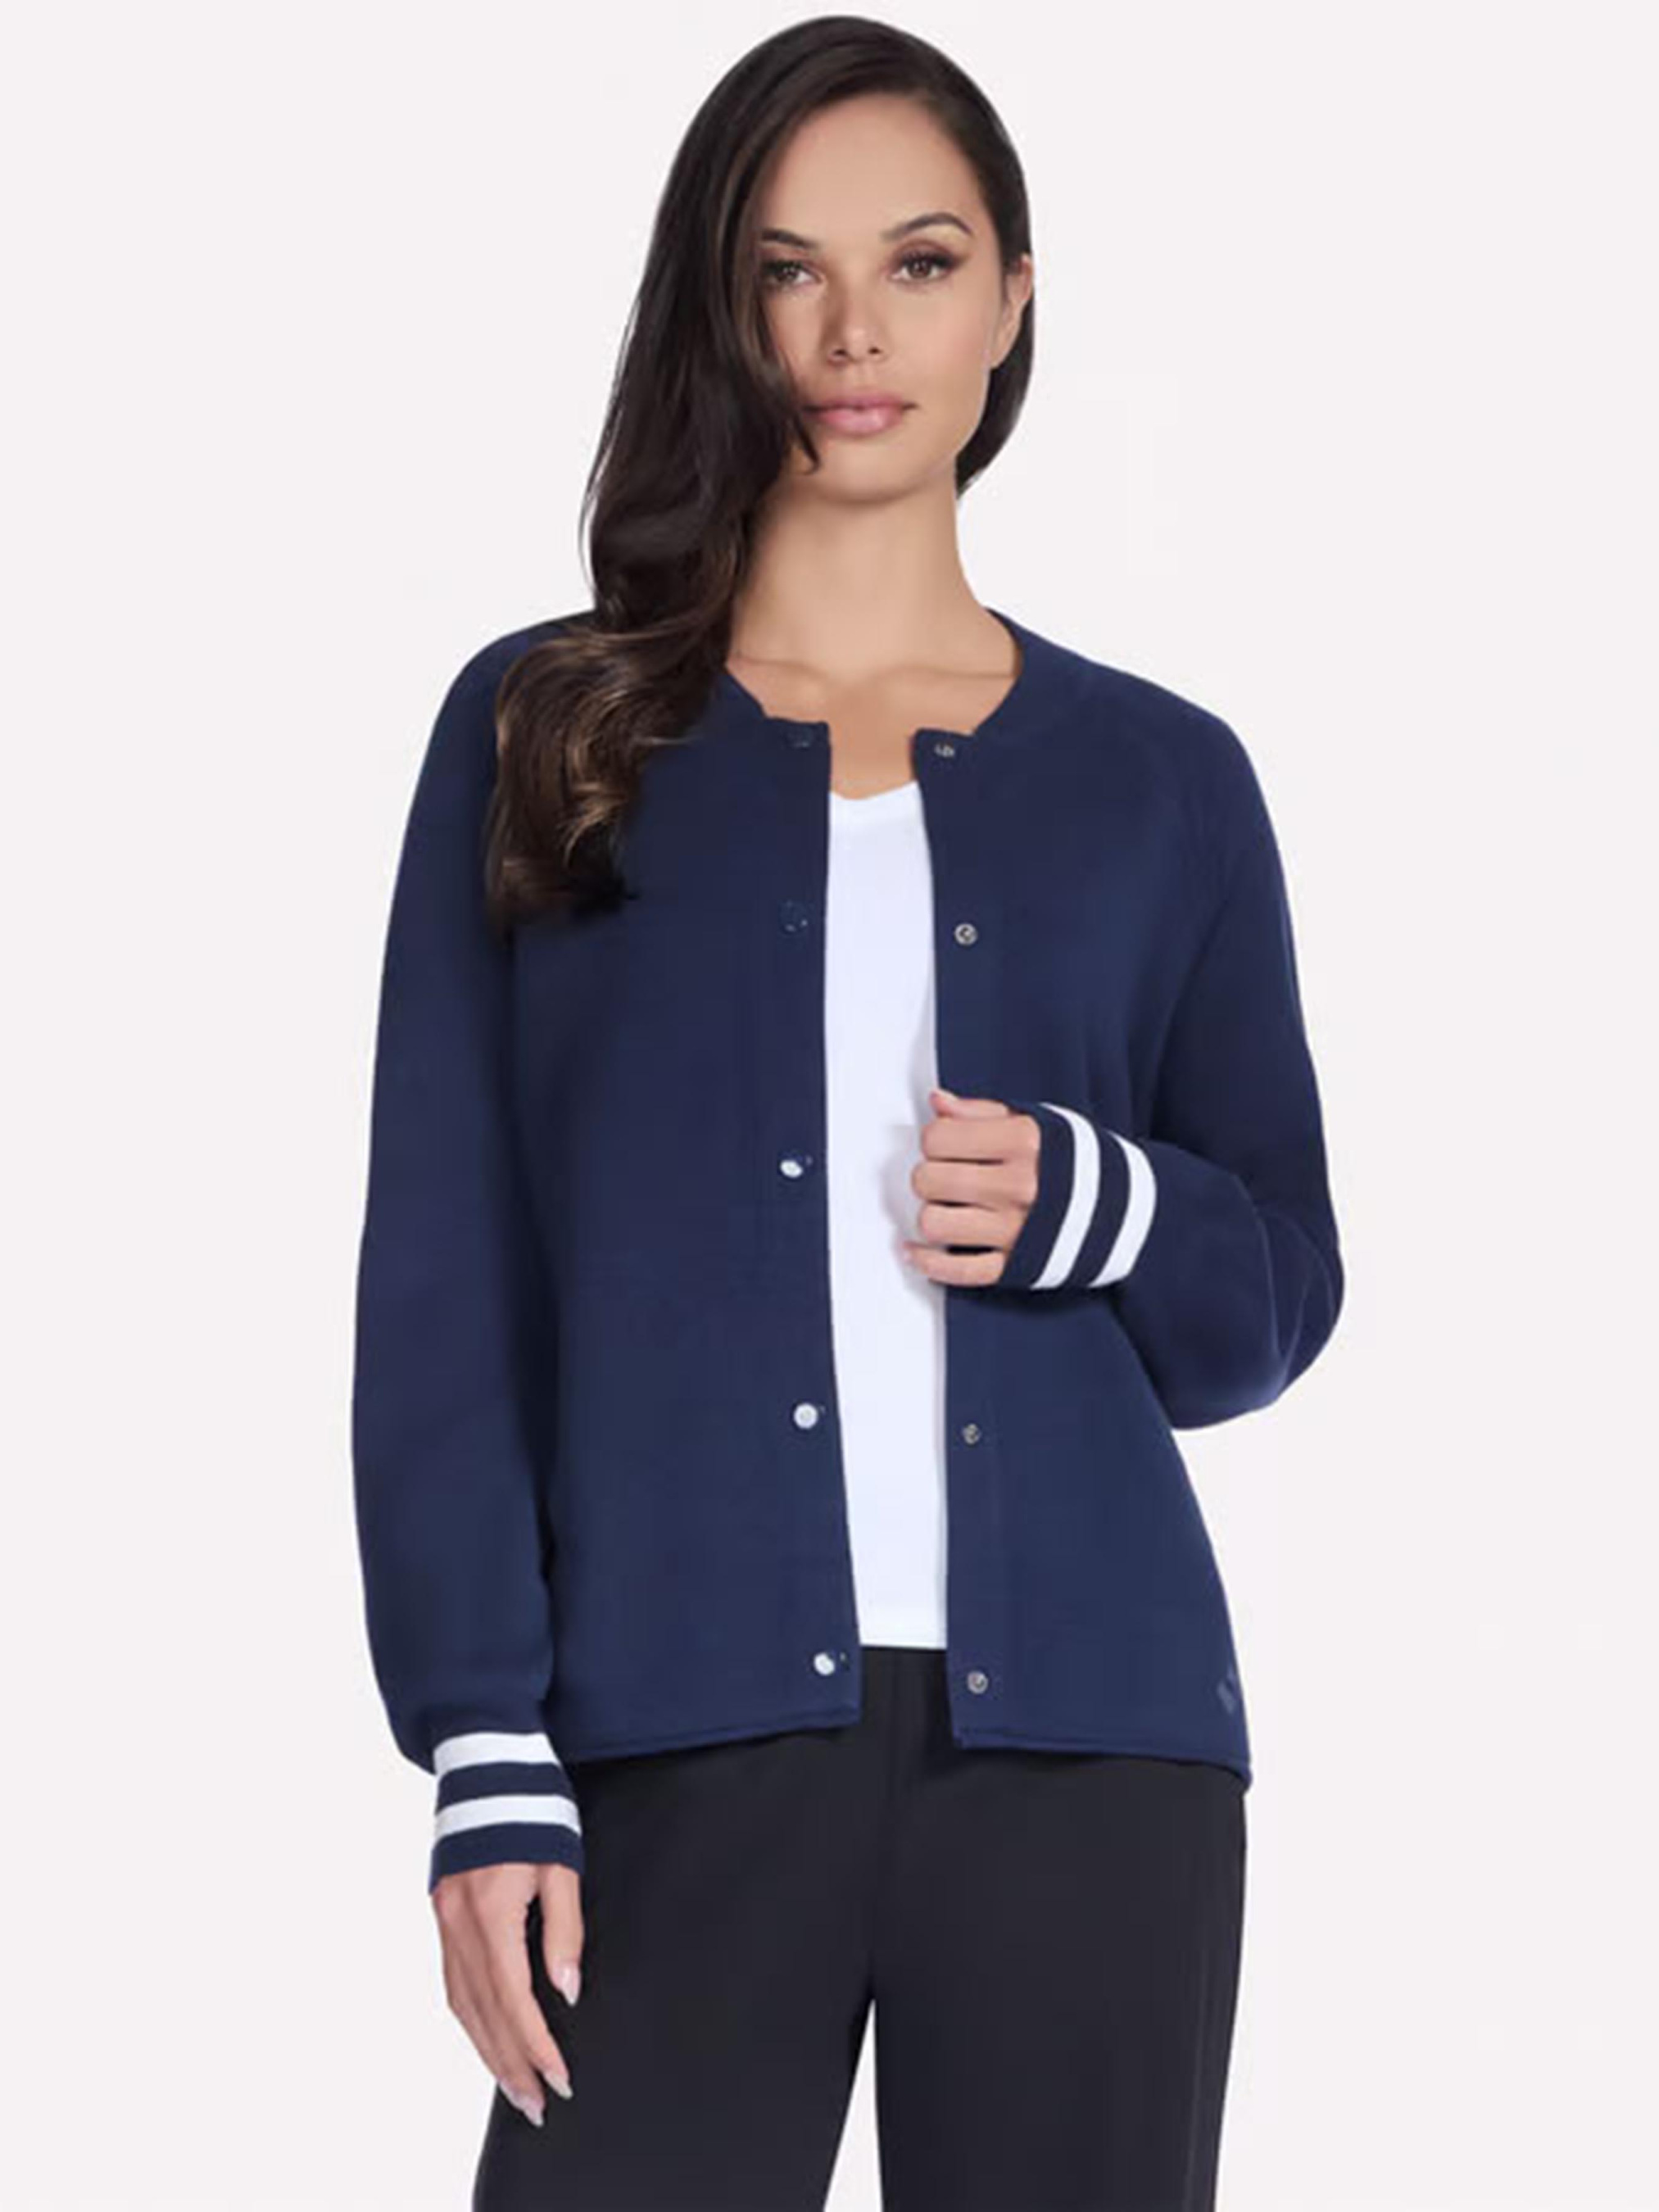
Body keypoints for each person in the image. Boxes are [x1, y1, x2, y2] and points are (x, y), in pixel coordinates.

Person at [350, 18, 1344, 2211]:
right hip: (667, 1728)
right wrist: (484, 1734)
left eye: (918, 262)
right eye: (785, 270)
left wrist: (1103, 1203)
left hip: (1093, 1744)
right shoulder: (547, 731)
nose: (852, 332)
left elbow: (1276, 1291)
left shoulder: (1163, 779)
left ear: (1011, 301)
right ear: (719, 307)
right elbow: (446, 1276)